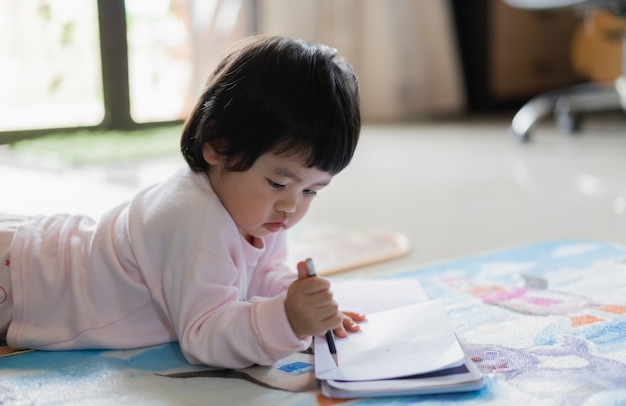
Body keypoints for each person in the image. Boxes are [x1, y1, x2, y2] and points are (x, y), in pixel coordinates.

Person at [0, 35, 364, 369]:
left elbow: (261, 275)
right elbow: (205, 335)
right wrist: (286, 320)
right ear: (218, 146)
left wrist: (303, 306)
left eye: (311, 191)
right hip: (25, 285)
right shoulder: (197, 224)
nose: (292, 206)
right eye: (278, 182)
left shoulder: (259, 209)